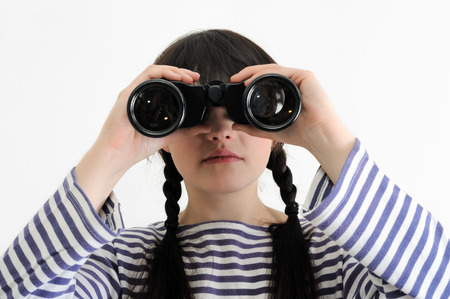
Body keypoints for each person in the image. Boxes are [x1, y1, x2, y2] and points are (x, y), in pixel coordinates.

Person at [0, 29, 448, 299]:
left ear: (275, 134)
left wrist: (327, 136)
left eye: (245, 111)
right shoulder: (121, 261)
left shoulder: (335, 257)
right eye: (190, 115)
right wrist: (111, 153)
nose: (220, 130)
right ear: (161, 140)